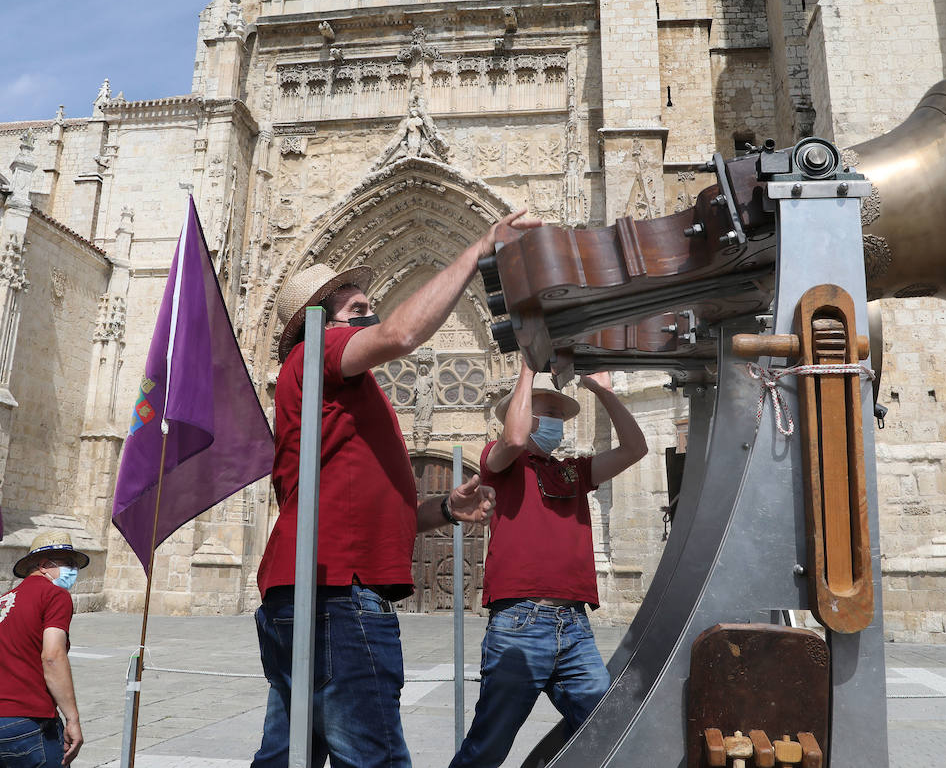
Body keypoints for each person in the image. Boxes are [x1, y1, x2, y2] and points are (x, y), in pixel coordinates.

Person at [250, 209, 539, 768]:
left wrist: (444, 510)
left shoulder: (337, 395)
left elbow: (369, 503)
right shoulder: (319, 351)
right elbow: (402, 333)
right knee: (374, 757)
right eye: (358, 309)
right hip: (337, 591)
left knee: (289, 757)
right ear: (322, 321)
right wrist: (477, 249)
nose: (371, 315)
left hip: (309, 587)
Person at [448, 364, 648, 768]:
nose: (554, 421)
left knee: (606, 728)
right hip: (520, 622)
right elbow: (516, 436)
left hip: (573, 625)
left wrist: (604, 392)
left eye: (559, 414)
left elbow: (635, 448)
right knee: (489, 745)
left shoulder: (571, 470)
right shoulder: (499, 461)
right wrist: (526, 368)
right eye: (545, 412)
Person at [0, 529, 89, 767]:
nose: (73, 571)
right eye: (68, 563)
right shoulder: (54, 595)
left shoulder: (2, 600)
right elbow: (52, 657)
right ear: (45, 565)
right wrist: (72, 719)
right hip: (22, 722)